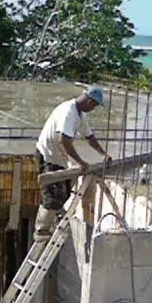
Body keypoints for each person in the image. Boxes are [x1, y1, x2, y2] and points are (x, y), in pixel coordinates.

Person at [34, 85, 112, 241]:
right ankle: (41, 231)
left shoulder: (80, 115)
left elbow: (89, 137)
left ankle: (54, 217)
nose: (94, 108)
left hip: (59, 157)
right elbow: (64, 141)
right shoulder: (68, 111)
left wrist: (103, 153)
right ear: (90, 101)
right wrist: (81, 162)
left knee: (65, 191)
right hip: (48, 156)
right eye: (95, 105)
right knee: (52, 196)